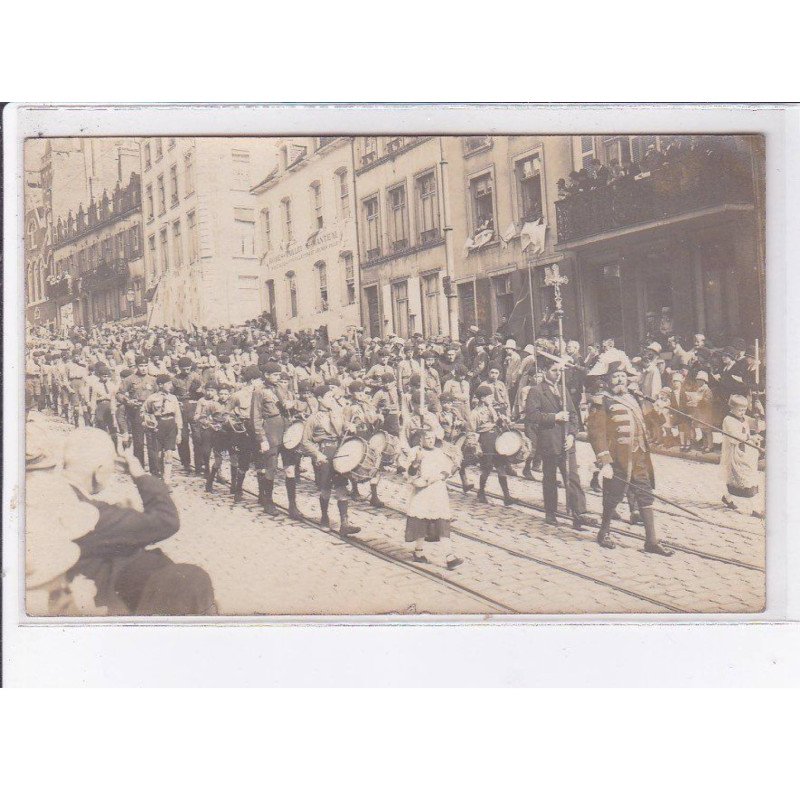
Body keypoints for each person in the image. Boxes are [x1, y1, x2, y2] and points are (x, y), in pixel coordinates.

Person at [62, 427, 216, 615]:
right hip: (101, 598)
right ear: (99, 471)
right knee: (193, 579)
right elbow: (166, 519)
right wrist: (140, 475)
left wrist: (120, 514)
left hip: (102, 577)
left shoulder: (60, 493)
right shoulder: (87, 513)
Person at [586, 357, 673, 556]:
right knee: (612, 496)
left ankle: (651, 541)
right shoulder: (602, 401)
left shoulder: (634, 399)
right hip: (617, 458)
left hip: (640, 456)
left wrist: (659, 413)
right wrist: (604, 461)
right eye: (615, 376)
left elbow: (647, 422)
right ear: (608, 380)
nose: (619, 380)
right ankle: (604, 531)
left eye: (622, 376)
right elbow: (595, 432)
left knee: (645, 494)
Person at [525, 359, 593, 528]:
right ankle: (550, 512)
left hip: (567, 442)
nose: (558, 374)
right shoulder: (537, 391)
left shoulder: (563, 391)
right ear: (545, 371)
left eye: (560, 371)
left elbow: (573, 415)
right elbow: (532, 416)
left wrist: (571, 434)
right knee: (550, 478)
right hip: (549, 441)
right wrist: (554, 417)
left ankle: (579, 514)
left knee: (572, 478)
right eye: (555, 370)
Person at [301, 384, 360, 535]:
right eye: (329, 397)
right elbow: (305, 441)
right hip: (324, 453)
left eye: (332, 397)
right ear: (320, 399)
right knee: (326, 489)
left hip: (338, 451)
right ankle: (325, 517)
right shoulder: (313, 418)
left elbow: (343, 426)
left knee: (341, 487)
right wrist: (317, 454)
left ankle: (344, 523)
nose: (332, 400)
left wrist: (350, 426)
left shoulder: (336, 413)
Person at [403, 427, 462, 569]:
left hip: (437, 491)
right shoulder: (415, 452)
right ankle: (418, 551)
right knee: (421, 522)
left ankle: (449, 556)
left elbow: (446, 470)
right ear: (421, 439)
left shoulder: (438, 452)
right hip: (422, 492)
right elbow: (410, 474)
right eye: (428, 438)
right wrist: (416, 462)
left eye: (433, 438)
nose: (431, 440)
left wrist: (442, 475)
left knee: (442, 521)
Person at [720, 395, 764, 518]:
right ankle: (756, 509)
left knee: (743, 479)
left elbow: (757, 426)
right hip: (735, 454)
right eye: (740, 410)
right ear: (731, 408)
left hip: (745, 453)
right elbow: (734, 438)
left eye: (744, 410)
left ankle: (727, 498)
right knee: (745, 480)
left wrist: (759, 412)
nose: (742, 412)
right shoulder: (728, 420)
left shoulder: (743, 417)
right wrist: (751, 437)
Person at [469, 384, 513, 506]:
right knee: (486, 468)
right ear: (482, 398)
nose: (491, 399)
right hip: (485, 438)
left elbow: (496, 420)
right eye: (489, 397)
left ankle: (507, 496)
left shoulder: (492, 409)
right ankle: (481, 492)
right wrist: (476, 446)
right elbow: (473, 432)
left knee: (501, 466)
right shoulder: (474, 413)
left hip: (496, 437)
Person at [142, 374, 183, 483]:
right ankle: (160, 473)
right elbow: (145, 411)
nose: (170, 386)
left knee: (169, 453)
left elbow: (178, 415)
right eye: (168, 383)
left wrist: (179, 431)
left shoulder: (173, 398)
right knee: (159, 454)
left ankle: (167, 478)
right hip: (158, 425)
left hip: (170, 424)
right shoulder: (152, 398)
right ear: (160, 385)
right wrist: (149, 420)